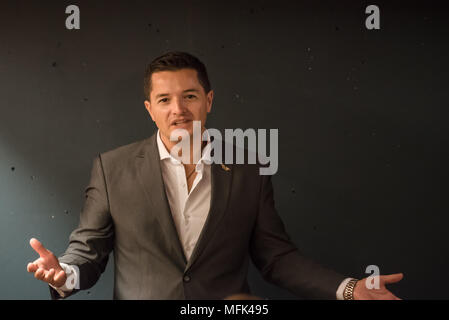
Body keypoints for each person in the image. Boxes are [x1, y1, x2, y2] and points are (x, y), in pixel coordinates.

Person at [26, 51, 403, 300]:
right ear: (149, 109)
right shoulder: (112, 168)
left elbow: (277, 257)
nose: (179, 110)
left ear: (208, 100)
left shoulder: (250, 170)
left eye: (190, 96)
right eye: (164, 100)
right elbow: (88, 252)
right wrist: (65, 273)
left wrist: (349, 289)